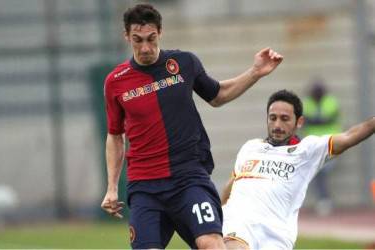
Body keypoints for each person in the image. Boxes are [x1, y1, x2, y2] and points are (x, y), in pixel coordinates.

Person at [100, 3, 283, 249]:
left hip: (188, 179)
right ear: (126, 36)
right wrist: (112, 187)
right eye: (137, 40)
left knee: (212, 243)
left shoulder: (183, 63)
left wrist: (255, 72)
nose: (145, 47)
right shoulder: (115, 82)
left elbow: (217, 95)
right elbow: (114, 135)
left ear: (160, 32)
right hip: (146, 187)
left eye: (151, 39)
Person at [221, 89, 374, 250]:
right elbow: (233, 184)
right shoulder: (251, 147)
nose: (277, 125)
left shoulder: (307, 151)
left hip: (276, 235)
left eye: (284, 119)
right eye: (272, 118)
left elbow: (350, 136)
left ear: (299, 122)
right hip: (239, 225)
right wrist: (218, 216)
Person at [302, 79, 342, 216]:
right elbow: (306, 120)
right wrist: (314, 120)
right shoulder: (307, 103)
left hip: (332, 144)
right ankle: (324, 200)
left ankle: (324, 199)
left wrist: (313, 120)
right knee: (318, 174)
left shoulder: (330, 102)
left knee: (323, 173)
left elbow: (326, 119)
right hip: (313, 146)